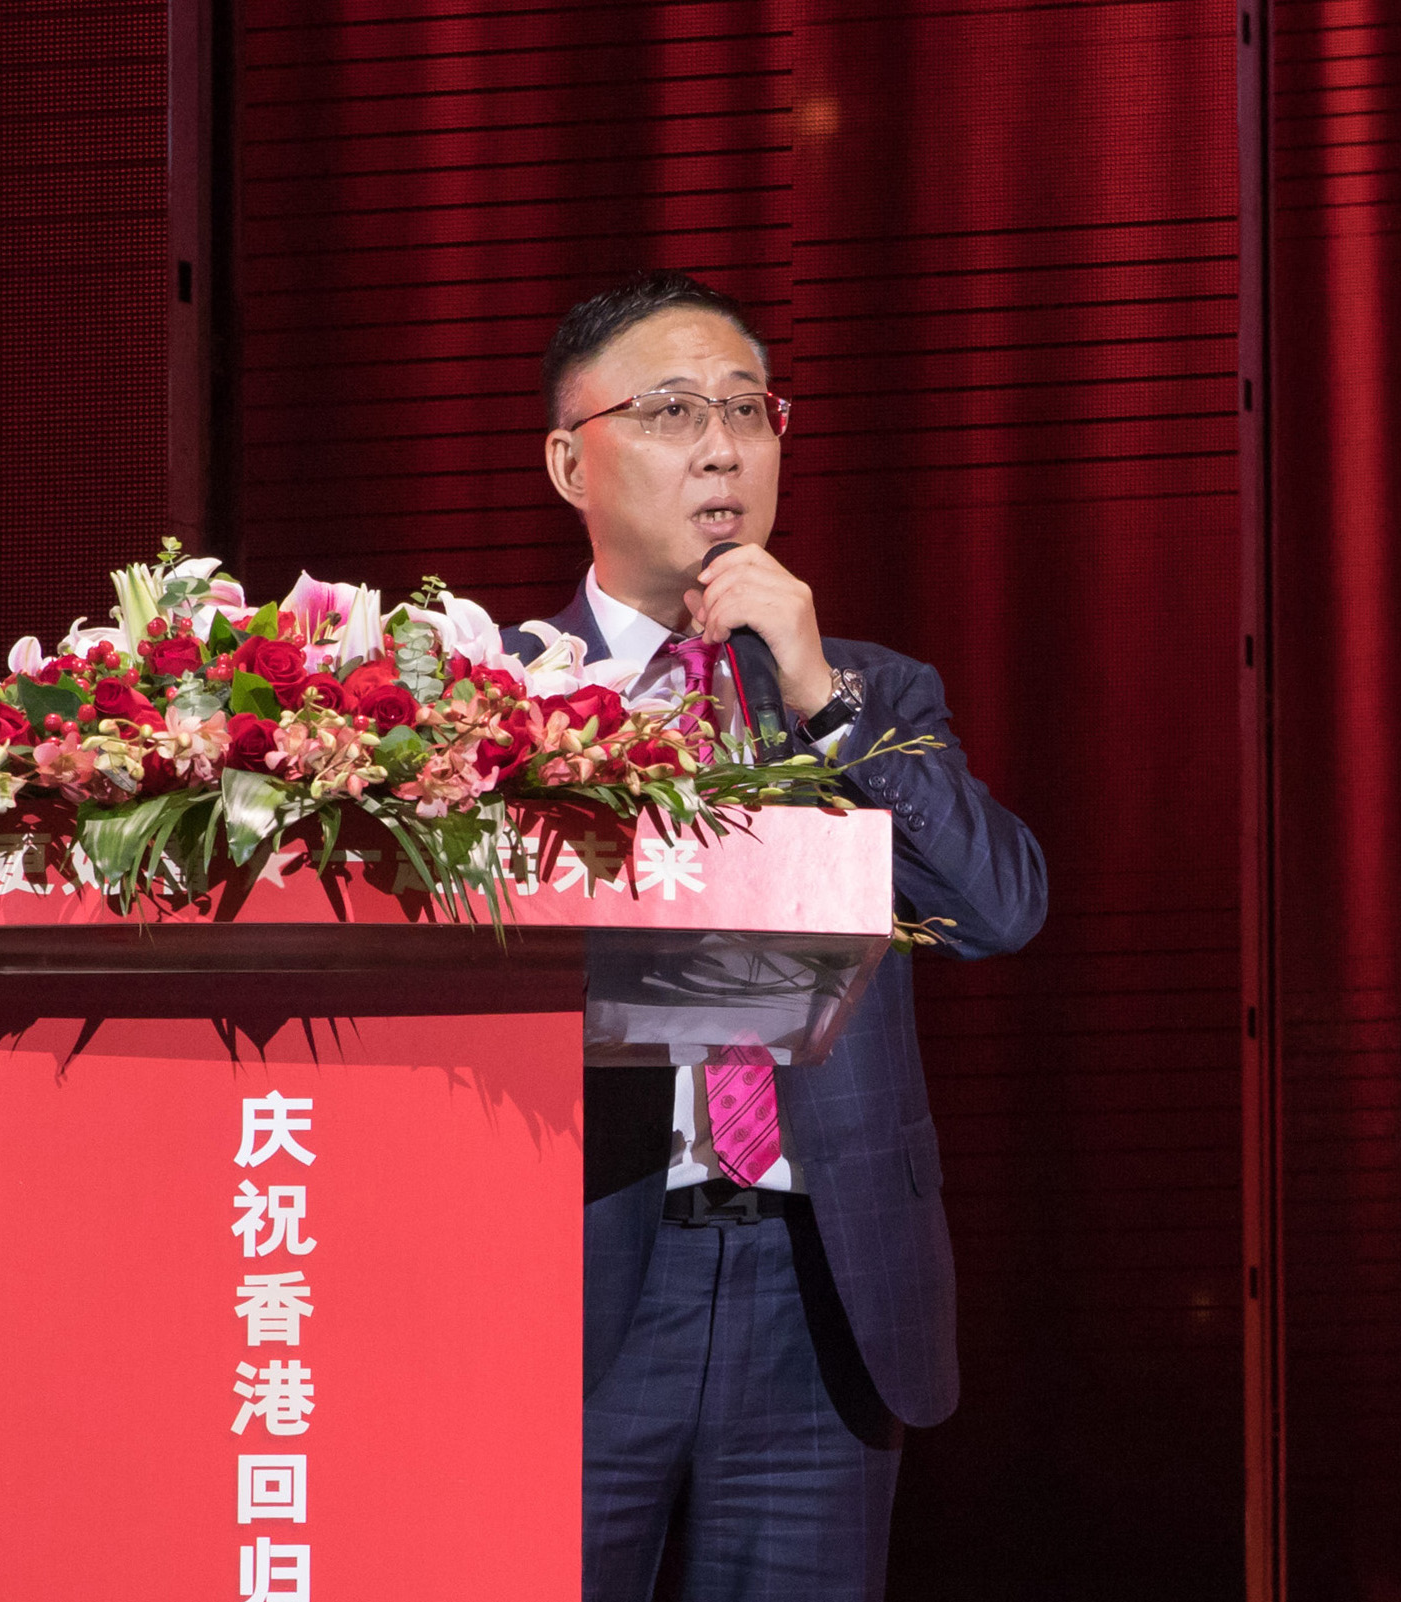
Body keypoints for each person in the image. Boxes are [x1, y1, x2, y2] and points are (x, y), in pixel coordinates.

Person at [508, 271, 1047, 1602]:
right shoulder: (492, 700)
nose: (721, 447)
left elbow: (999, 907)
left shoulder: (868, 691)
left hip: (819, 1286)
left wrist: (818, 693)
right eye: (673, 410)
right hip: (573, 1274)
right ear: (571, 462)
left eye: (747, 410)